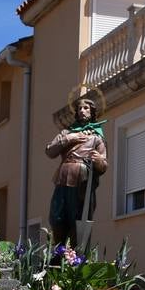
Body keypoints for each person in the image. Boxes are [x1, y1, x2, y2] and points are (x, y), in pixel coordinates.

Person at [44, 96, 107, 249]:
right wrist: (70, 138)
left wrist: (98, 160)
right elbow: (50, 151)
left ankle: (77, 258)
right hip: (63, 177)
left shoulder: (97, 137)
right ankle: (57, 255)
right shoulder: (66, 132)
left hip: (83, 181)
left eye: (85, 108)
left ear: (92, 112)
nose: (82, 111)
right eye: (79, 108)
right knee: (56, 217)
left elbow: (104, 165)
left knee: (79, 220)